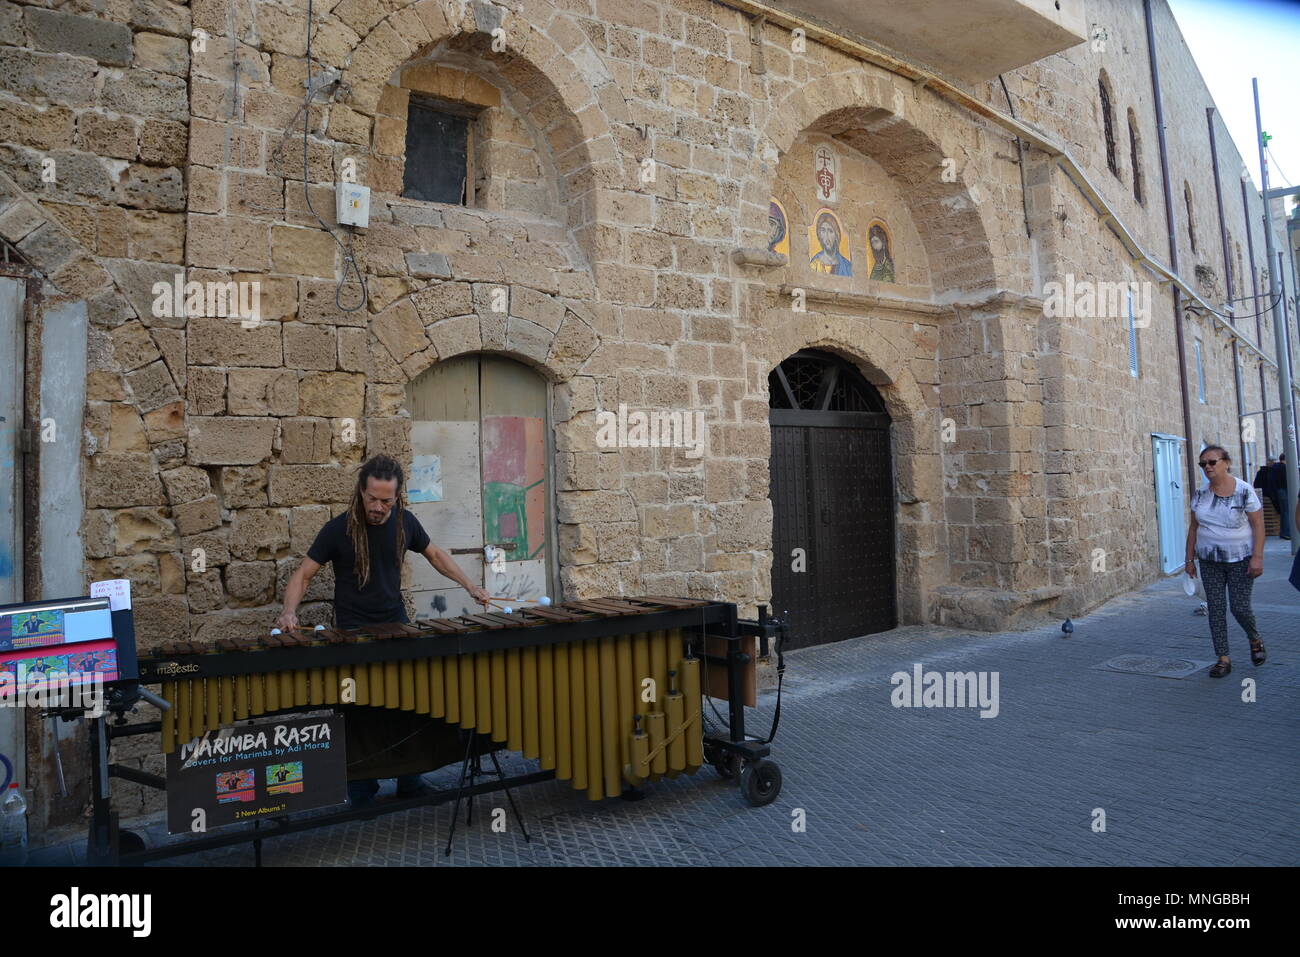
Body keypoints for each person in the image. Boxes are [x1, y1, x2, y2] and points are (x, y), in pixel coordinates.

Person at [278, 454, 491, 806]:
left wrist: (471, 586)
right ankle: (361, 788)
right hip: (352, 632)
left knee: (406, 705)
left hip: (396, 626)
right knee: (359, 712)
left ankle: (410, 780)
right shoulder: (338, 529)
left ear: (398, 497)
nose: (378, 507)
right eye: (372, 498)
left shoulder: (406, 523)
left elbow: (436, 555)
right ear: (361, 492)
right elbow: (304, 574)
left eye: (386, 500)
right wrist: (288, 611)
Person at [1184, 445, 1266, 678]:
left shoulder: (1243, 491)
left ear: (1226, 463)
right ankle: (1222, 658)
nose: (1207, 467)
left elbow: (1258, 524)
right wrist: (1189, 559)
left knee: (1239, 608)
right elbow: (1194, 527)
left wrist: (1258, 557)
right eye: (1203, 464)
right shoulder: (1200, 494)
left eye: (1212, 462)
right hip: (1210, 561)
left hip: (1241, 559)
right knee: (1216, 609)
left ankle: (1254, 638)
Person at [809, 212, 852, 276]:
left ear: (836, 236)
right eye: (823, 230)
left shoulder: (846, 265)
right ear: (819, 234)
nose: (827, 236)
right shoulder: (815, 264)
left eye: (830, 231)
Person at [1268, 453, 1291, 539]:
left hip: (1279, 491)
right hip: (1284, 490)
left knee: (1284, 512)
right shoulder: (1285, 468)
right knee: (1286, 512)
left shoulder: (1275, 467)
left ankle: (1283, 532)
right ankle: (1286, 532)